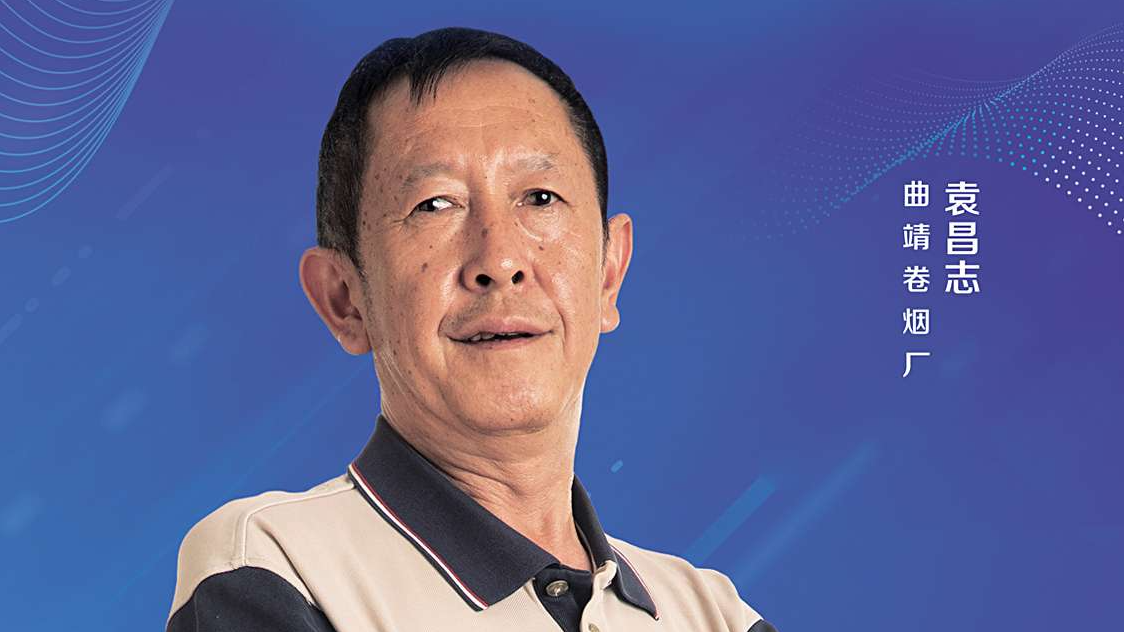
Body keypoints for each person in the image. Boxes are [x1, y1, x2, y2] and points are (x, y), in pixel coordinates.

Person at [165, 26, 778, 632]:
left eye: (540, 197)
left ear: (609, 274)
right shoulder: (273, 566)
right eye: (434, 205)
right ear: (344, 300)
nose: (500, 260)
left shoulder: (713, 614)